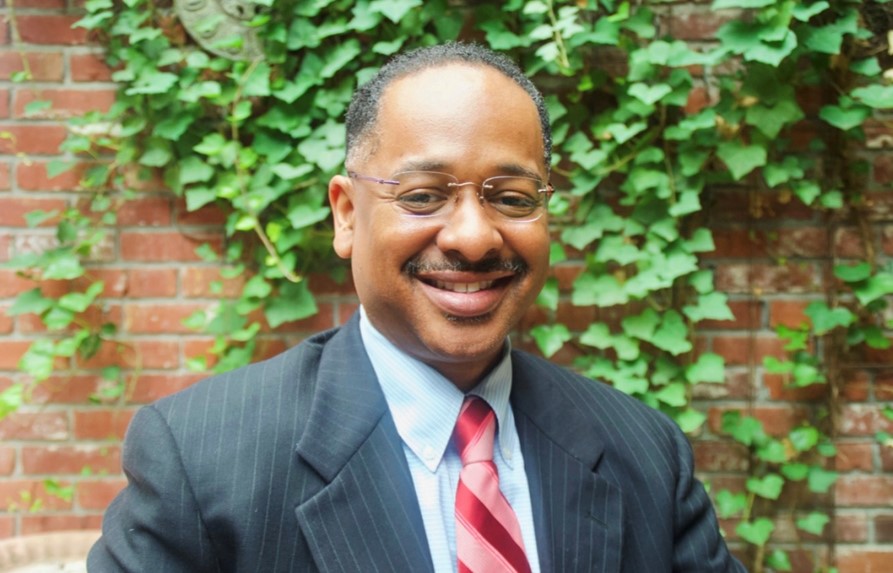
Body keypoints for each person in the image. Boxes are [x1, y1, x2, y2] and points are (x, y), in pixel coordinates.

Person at [88, 43, 745, 572]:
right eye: (424, 195)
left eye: (511, 197)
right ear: (347, 215)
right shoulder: (202, 460)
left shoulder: (644, 452)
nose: (472, 236)